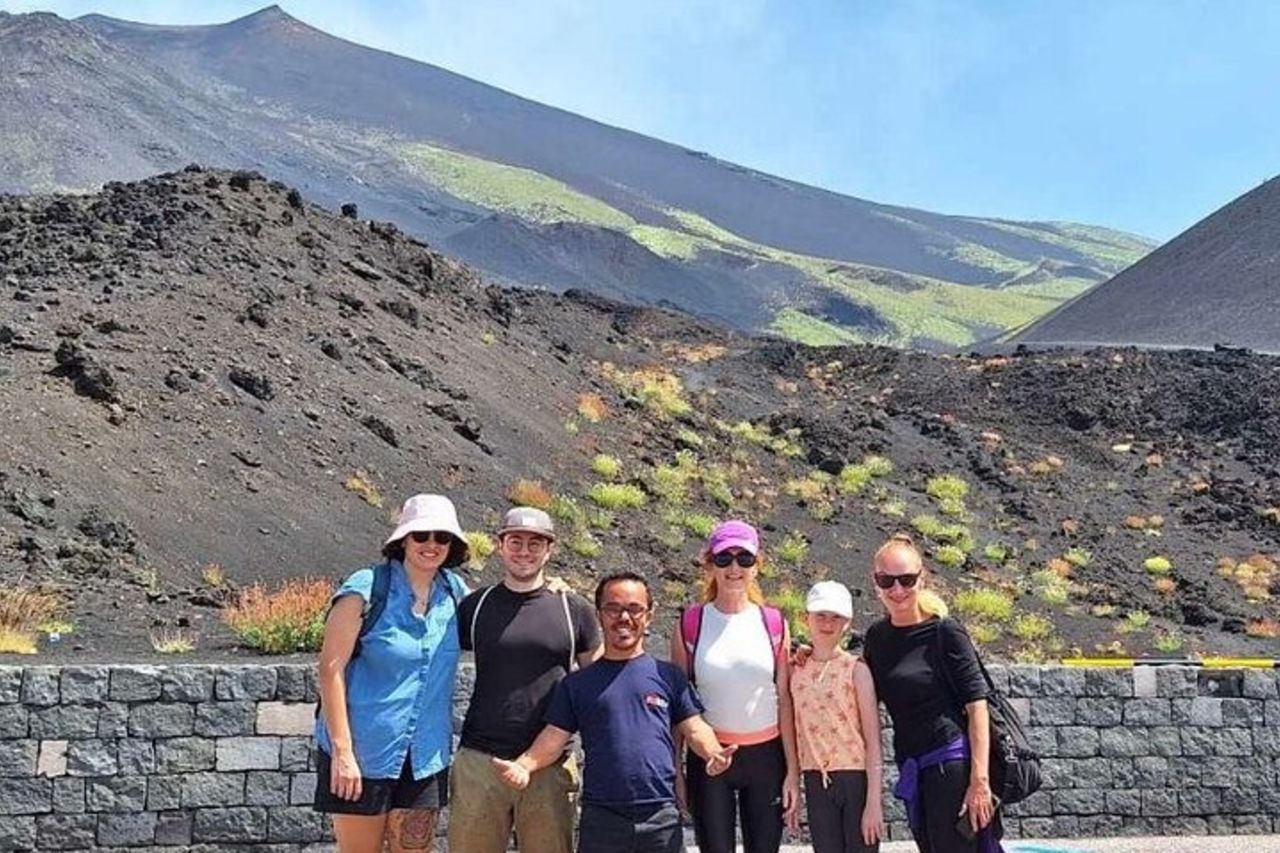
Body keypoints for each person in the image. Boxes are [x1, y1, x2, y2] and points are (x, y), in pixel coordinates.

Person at [491, 571, 738, 853]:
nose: (624, 617)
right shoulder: (577, 684)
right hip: (602, 819)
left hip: (660, 815)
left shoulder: (668, 676)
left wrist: (713, 752)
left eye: (634, 609)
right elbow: (553, 737)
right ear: (599, 615)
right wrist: (524, 765)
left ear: (649, 616)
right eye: (613, 608)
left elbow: (694, 728)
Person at [313, 493, 471, 853]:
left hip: (425, 757)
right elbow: (330, 669)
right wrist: (343, 752)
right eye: (421, 535)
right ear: (403, 540)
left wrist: (552, 590)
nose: (431, 544)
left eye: (442, 537)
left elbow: (503, 617)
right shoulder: (366, 589)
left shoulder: (454, 593)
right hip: (364, 752)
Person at [447, 506, 603, 853]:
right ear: (500, 545)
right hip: (480, 762)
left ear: (550, 549)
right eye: (515, 541)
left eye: (535, 543)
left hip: (550, 766)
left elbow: (601, 681)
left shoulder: (573, 609)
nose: (524, 551)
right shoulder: (475, 607)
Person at [861, 534, 1003, 853]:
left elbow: (977, 706)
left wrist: (979, 781)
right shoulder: (877, 638)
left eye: (907, 579)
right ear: (875, 582)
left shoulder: (945, 631)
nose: (897, 590)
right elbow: (857, 682)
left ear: (922, 577)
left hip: (950, 763)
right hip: (913, 767)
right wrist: (808, 657)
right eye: (887, 580)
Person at [669, 520, 801, 853]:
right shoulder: (690, 623)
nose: (734, 568)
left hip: (767, 758)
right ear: (710, 564)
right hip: (709, 758)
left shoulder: (773, 623)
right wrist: (677, 770)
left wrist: (792, 771)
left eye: (744, 558)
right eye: (724, 558)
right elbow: (680, 704)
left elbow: (784, 700)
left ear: (757, 565)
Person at [789, 581, 884, 853]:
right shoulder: (795, 669)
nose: (827, 623)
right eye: (820, 615)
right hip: (816, 778)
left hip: (855, 778)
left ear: (847, 623)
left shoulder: (856, 669)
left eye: (836, 617)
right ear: (806, 617)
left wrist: (874, 802)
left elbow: (873, 740)